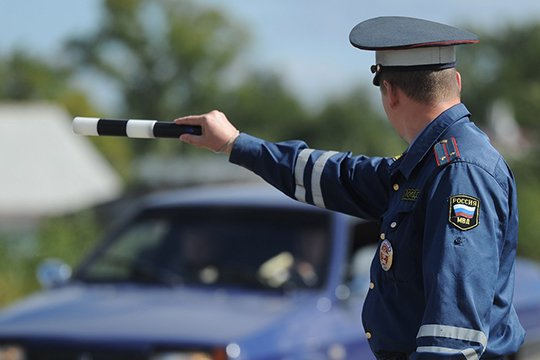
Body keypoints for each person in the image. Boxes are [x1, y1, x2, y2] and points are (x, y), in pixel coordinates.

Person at [174, 16, 525, 359]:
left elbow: (452, 337)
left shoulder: (457, 171)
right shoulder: (432, 164)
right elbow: (339, 176)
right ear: (457, 82)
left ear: (389, 92)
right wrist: (235, 144)